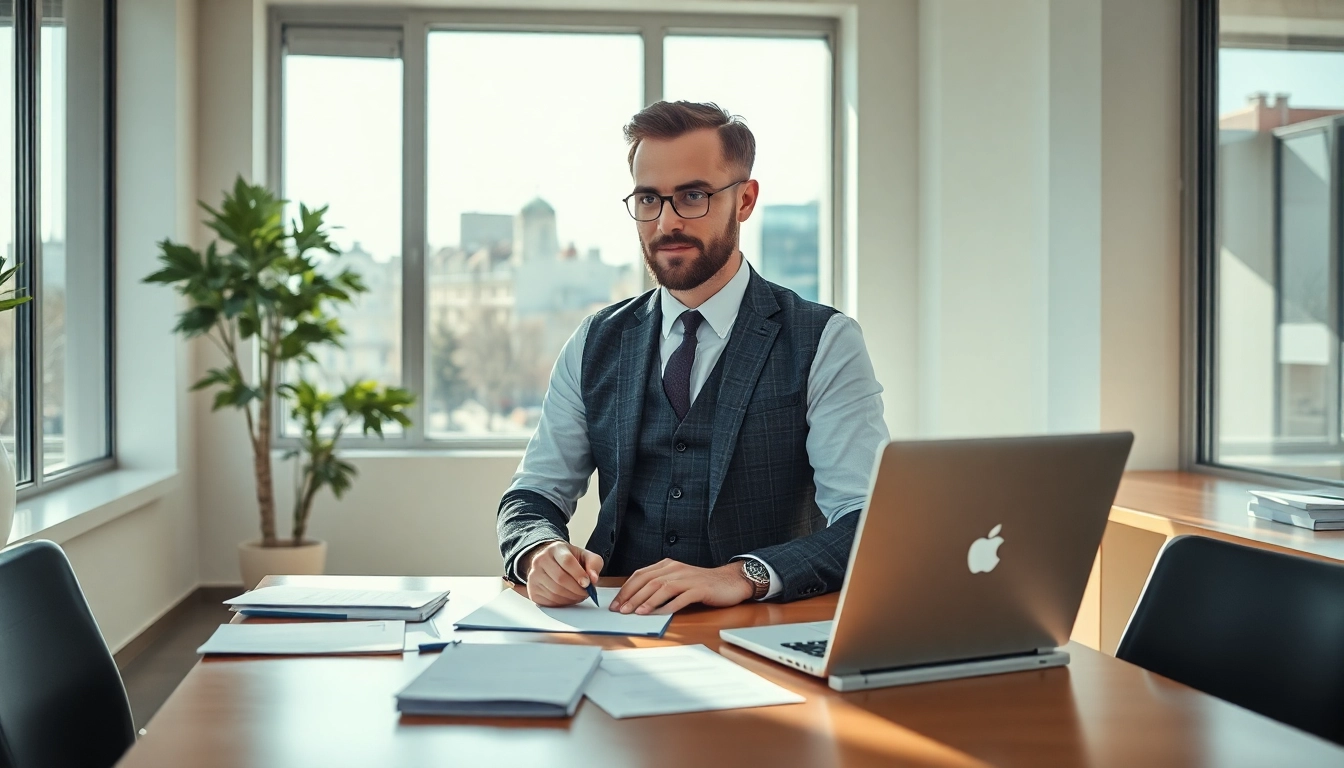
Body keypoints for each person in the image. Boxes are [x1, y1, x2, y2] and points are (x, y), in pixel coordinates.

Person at [496, 100, 889, 615]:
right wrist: (537, 551)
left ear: (745, 200)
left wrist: (744, 575)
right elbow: (532, 494)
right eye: (648, 199)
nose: (666, 223)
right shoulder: (594, 341)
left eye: (694, 196)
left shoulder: (825, 341)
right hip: (615, 624)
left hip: (761, 628)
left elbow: (867, 521)